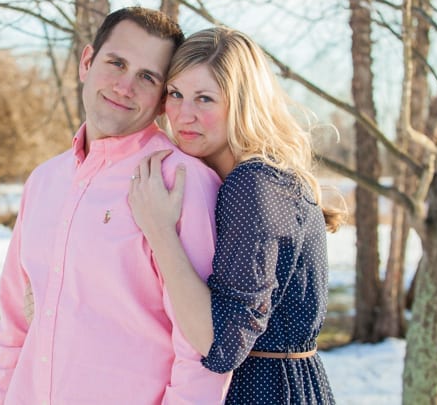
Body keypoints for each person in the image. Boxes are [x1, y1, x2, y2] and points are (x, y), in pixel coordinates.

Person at [0, 7, 232, 404]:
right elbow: (14, 330)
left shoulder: (181, 181)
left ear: (161, 98)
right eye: (116, 63)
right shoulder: (44, 182)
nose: (124, 86)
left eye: (147, 77)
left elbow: (199, 355)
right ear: (87, 61)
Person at [129, 26, 343, 404]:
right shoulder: (252, 178)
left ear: (243, 104)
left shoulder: (254, 183)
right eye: (176, 94)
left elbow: (220, 342)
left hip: (263, 391)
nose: (184, 115)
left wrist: (159, 229)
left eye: (205, 99)